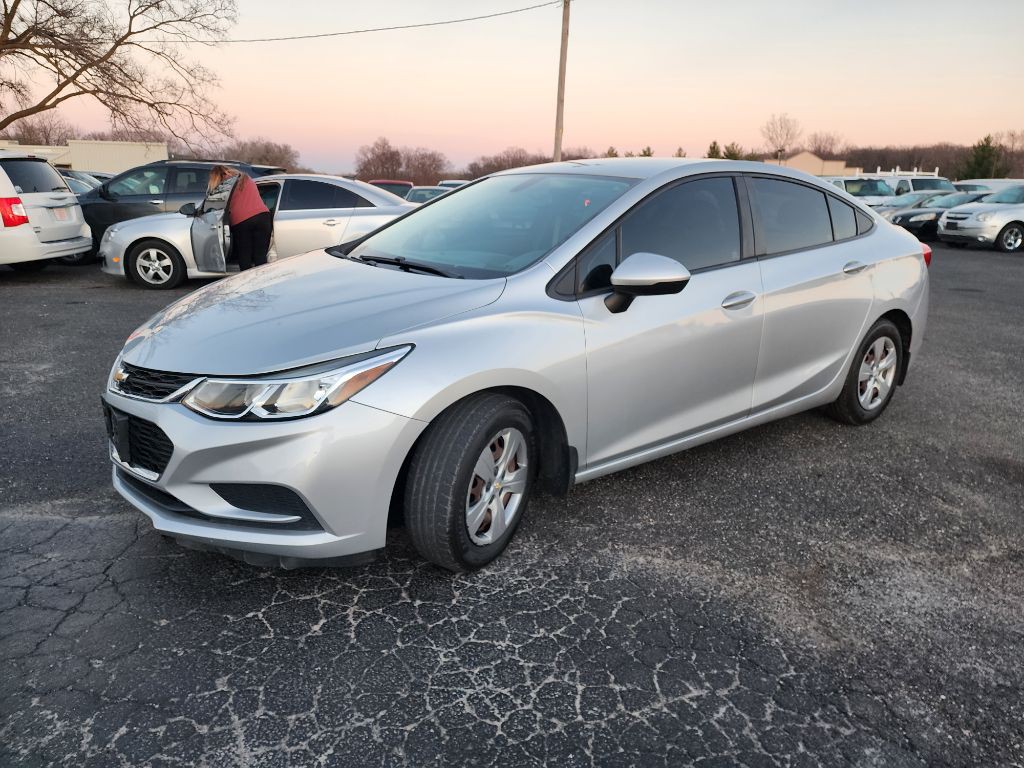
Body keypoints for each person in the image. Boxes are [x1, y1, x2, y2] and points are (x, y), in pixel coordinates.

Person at [208, 165, 272, 271]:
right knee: (260, 257)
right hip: (263, 216)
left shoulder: (223, 185)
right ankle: (262, 281)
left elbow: (216, 206)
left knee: (244, 256)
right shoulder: (245, 177)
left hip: (242, 221)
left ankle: (247, 283)